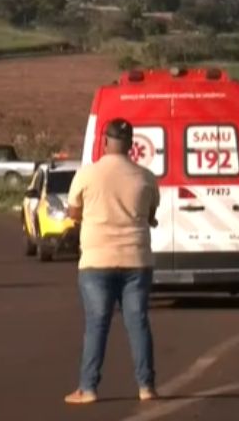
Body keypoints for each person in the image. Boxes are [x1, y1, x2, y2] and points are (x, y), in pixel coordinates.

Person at [64, 118, 160, 406]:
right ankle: (146, 386)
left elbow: (73, 212)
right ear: (131, 145)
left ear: (105, 142)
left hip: (97, 261)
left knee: (97, 325)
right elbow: (151, 214)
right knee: (138, 322)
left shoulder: (87, 175)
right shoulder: (146, 177)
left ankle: (88, 388)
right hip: (137, 259)